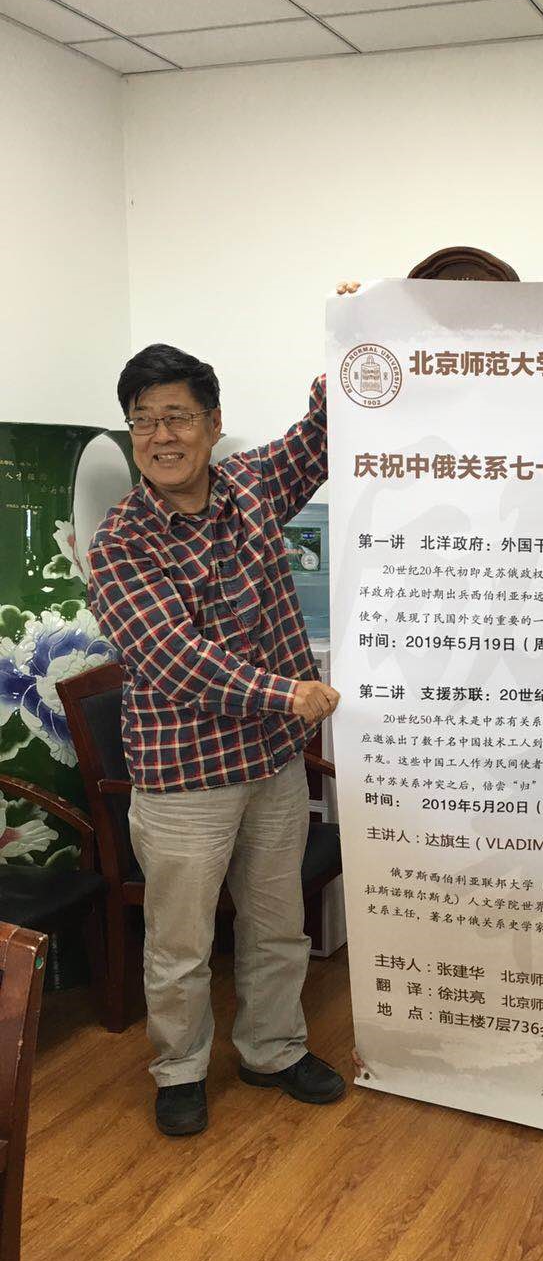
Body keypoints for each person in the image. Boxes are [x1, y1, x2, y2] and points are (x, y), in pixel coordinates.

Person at [87, 294, 358, 1137]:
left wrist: (361, 335)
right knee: (181, 944)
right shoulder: (120, 542)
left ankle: (272, 1050)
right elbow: (173, 657)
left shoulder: (251, 485)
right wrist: (287, 694)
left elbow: (323, 435)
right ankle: (179, 1069)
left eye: (177, 417)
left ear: (212, 424)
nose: (161, 436)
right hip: (184, 781)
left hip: (271, 765)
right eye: (143, 421)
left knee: (277, 926)